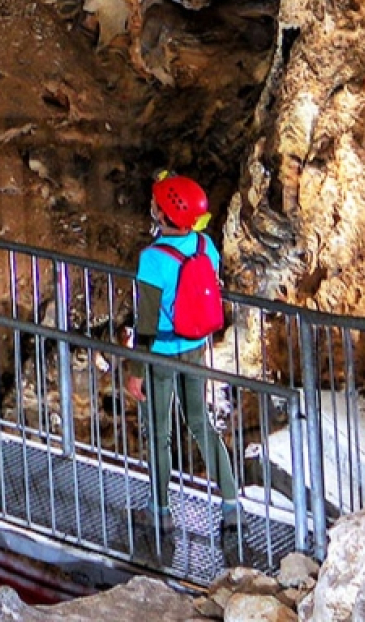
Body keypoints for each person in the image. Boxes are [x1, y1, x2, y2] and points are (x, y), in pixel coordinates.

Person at [125, 172, 241, 532]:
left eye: (156, 204)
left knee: (159, 433)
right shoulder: (206, 246)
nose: (152, 206)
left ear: (163, 214)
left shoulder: (153, 258)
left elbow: (146, 322)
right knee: (200, 423)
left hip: (161, 353)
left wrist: (135, 370)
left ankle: (160, 511)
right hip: (195, 347)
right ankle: (232, 505)